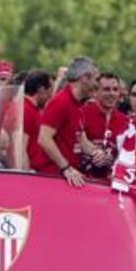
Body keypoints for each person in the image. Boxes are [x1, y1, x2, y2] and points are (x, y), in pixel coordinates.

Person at [38, 56, 99, 187]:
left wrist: (100, 154)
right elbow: (44, 138)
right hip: (54, 178)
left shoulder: (78, 105)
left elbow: (82, 142)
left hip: (69, 178)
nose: (97, 85)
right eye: (96, 79)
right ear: (84, 78)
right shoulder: (61, 102)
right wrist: (66, 167)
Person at [79, 73, 128, 179]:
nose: (111, 94)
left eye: (115, 90)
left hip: (111, 185)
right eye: (106, 89)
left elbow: (129, 156)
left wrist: (112, 159)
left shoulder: (126, 121)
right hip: (81, 181)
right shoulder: (82, 114)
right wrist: (94, 153)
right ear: (95, 92)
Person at [21, 70, 54, 174]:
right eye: (50, 91)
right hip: (34, 174)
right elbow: (21, 148)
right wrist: (26, 176)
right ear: (41, 90)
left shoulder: (31, 109)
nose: (51, 96)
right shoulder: (27, 110)